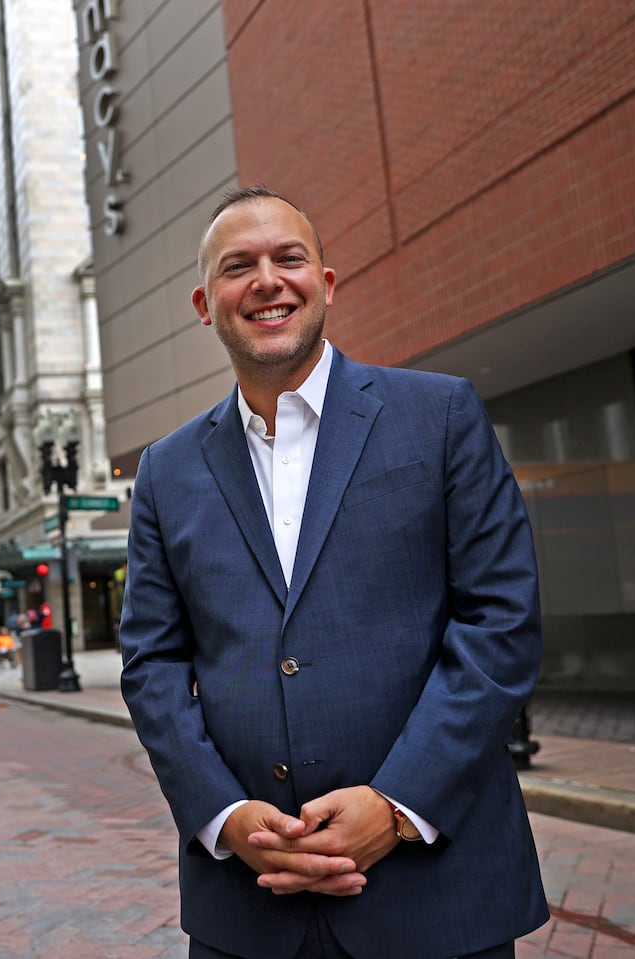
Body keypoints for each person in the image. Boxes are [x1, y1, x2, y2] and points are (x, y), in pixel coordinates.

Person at [118, 185, 547, 959]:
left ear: (327, 282)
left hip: (436, 893)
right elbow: (151, 663)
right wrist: (222, 815)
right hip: (247, 908)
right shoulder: (165, 469)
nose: (268, 281)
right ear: (204, 303)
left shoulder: (440, 416)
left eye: (290, 258)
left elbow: (501, 619)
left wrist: (398, 803)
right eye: (237, 266)